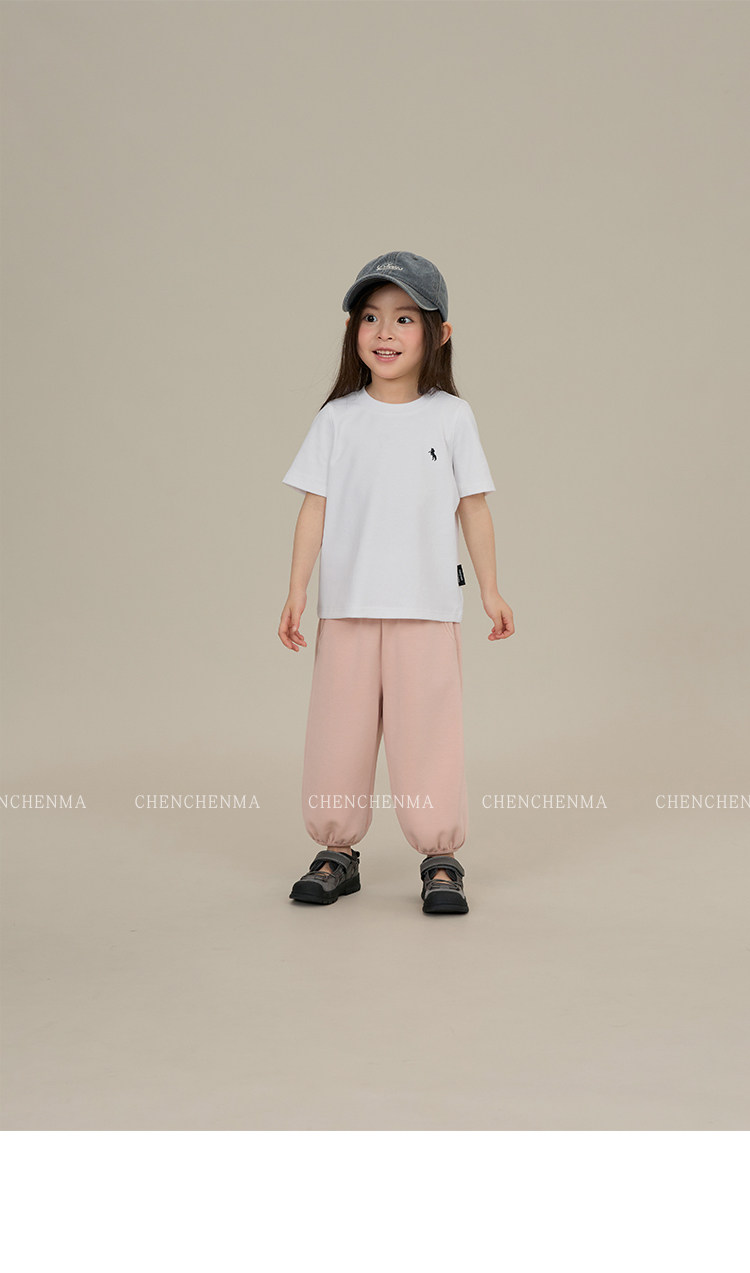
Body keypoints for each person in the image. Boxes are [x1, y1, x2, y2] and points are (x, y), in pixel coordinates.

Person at [278, 251, 514, 915]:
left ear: (439, 333)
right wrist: (296, 590)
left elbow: (474, 507)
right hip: (347, 607)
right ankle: (336, 851)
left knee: (428, 732)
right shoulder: (337, 418)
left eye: (405, 318)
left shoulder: (451, 416)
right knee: (338, 731)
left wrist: (491, 590)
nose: (385, 332)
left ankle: (440, 856)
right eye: (371, 317)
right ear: (352, 329)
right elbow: (314, 509)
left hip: (427, 607)